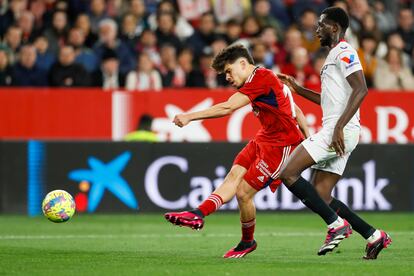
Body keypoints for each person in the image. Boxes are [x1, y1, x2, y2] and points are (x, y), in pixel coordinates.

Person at [164, 44, 327, 259]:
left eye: (229, 71)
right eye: (225, 74)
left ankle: (247, 241)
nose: (228, 78)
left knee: (243, 192)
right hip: (265, 137)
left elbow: (227, 108)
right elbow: (295, 109)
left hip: (281, 145)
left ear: (243, 63)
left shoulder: (261, 78)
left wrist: (189, 116)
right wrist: (308, 137)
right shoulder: (267, 78)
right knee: (234, 176)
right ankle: (198, 214)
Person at [278, 7, 391, 260]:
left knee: (288, 173)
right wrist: (297, 89)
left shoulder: (346, 52)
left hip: (339, 130)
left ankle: (336, 225)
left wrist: (339, 127)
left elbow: (361, 90)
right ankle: (373, 236)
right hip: (338, 128)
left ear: (334, 27)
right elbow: (328, 100)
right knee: (321, 195)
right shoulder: (332, 57)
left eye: (321, 25)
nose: (316, 29)